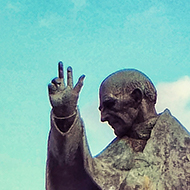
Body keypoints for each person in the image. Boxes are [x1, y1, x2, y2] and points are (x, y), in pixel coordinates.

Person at [46, 62, 190, 190]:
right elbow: (72, 177)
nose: (103, 118)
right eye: (101, 110)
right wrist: (65, 116)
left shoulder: (184, 150)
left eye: (110, 105)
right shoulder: (106, 163)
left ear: (136, 97)